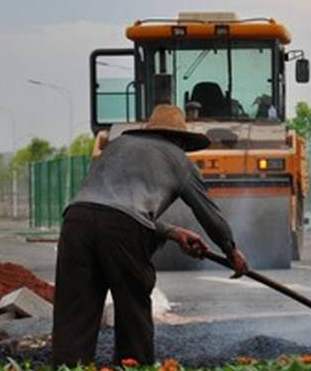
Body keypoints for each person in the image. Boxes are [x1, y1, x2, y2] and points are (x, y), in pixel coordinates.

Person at [52, 104, 249, 367]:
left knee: (74, 312)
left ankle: (67, 367)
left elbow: (108, 205)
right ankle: (133, 366)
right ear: (180, 138)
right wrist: (230, 249)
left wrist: (172, 232)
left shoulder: (117, 147)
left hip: (76, 221)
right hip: (121, 229)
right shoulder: (178, 159)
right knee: (133, 307)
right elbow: (208, 212)